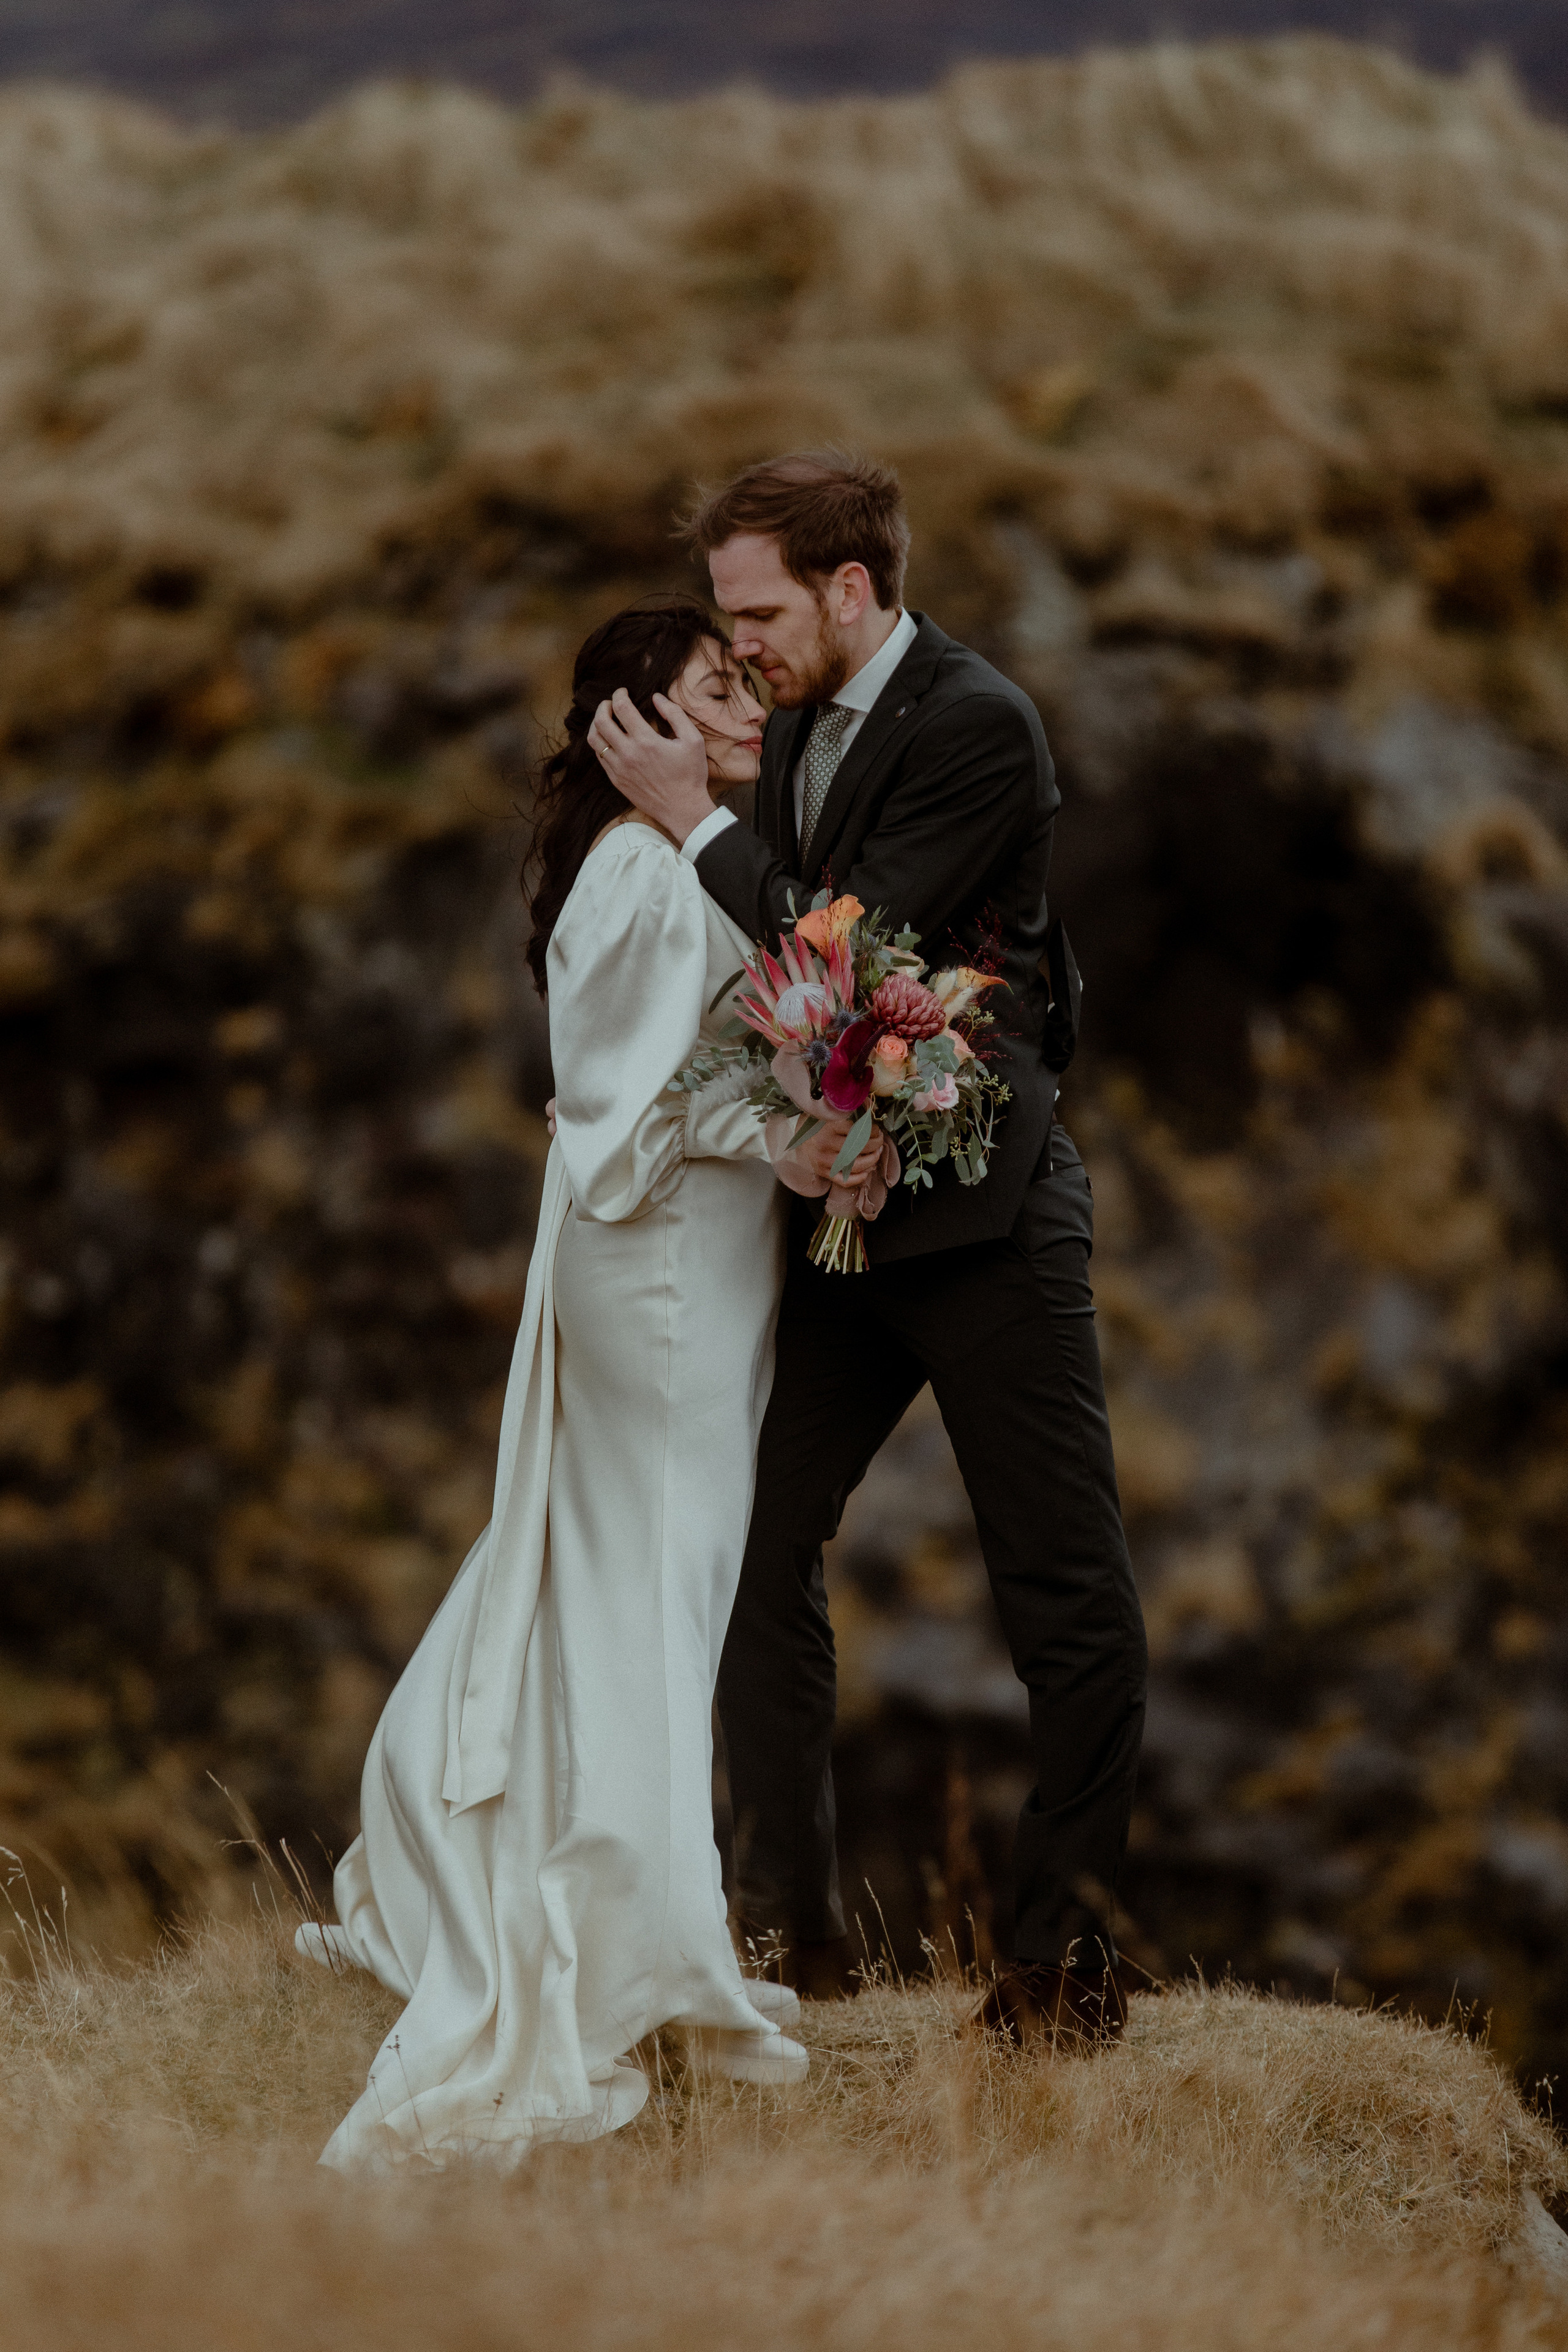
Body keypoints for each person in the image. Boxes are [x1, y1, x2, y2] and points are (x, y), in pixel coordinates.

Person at [586, 451, 1148, 2043]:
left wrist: (692, 817)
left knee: (1067, 1593)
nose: (739, 642)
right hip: (838, 1219)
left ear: (854, 588)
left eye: (757, 612)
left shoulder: (980, 724)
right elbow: (783, 988)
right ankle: (787, 1937)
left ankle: (1068, 1972)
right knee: (754, 1538)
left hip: (987, 1224)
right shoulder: (792, 737)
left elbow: (848, 947)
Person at [297, 601, 857, 2169]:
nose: (745, 703)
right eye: (709, 690)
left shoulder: (687, 858)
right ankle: (632, 1939)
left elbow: (697, 1059)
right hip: (659, 1275)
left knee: (630, 1570)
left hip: (697, 1266)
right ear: (637, 728)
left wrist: (807, 1110)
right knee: (651, 1579)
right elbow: (622, 1106)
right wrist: (782, 1133)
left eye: (745, 683)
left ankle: (584, 1881)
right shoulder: (641, 866)